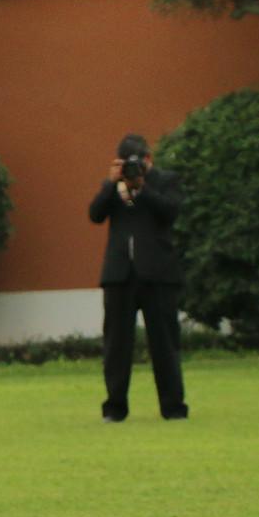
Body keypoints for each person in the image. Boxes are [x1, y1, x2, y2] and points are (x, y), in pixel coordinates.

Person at [88, 133, 187, 421]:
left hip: (158, 275)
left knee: (165, 344)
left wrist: (142, 188)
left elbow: (171, 212)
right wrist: (111, 184)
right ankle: (115, 407)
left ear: (148, 159)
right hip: (120, 275)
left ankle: (173, 407)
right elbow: (94, 214)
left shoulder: (165, 181)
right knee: (116, 345)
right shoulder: (112, 187)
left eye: (138, 161)